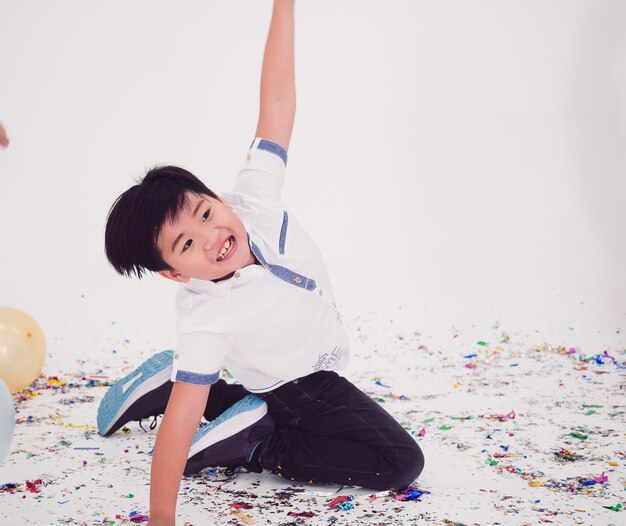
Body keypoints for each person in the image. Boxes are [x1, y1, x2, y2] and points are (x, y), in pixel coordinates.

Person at [99, 1, 424, 523]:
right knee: (399, 461)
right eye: (185, 245)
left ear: (218, 196)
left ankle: (178, 384)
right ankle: (254, 441)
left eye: (206, 213)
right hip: (298, 389)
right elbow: (182, 418)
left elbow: (277, 100)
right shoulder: (207, 315)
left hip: (296, 372)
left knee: (202, 387)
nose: (211, 237)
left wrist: (284, 6)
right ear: (174, 274)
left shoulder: (256, 198)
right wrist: (163, 519)